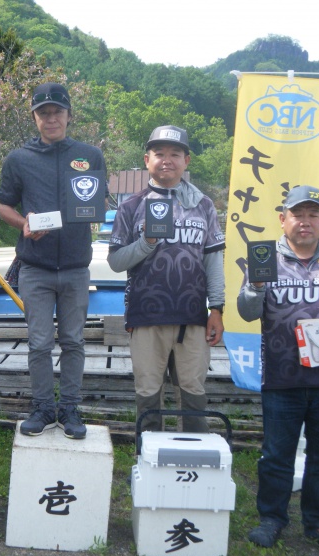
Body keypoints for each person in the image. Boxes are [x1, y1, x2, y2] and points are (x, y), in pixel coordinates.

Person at [237, 184, 319, 550]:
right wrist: (255, 288)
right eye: (298, 214)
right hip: (281, 377)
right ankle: (271, 518)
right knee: (276, 455)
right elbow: (247, 313)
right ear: (283, 220)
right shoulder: (264, 257)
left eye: (314, 214)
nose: (305, 221)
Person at [0, 82, 107, 440]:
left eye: (57, 112)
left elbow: (98, 203)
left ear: (69, 116)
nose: (51, 119)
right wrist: (24, 223)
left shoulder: (90, 155)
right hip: (35, 268)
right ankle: (43, 407)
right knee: (39, 343)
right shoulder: (18, 159)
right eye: (43, 113)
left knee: (74, 341)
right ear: (34, 118)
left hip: (76, 267)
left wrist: (90, 211)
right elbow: (3, 207)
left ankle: (70, 408)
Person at [107, 125, 225, 433]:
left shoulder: (204, 205)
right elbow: (116, 261)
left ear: (187, 161)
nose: (166, 160)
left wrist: (218, 309)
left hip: (193, 318)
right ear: (147, 159)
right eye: (159, 154)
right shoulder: (130, 206)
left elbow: (213, 259)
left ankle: (195, 462)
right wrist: (145, 244)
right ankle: (148, 461)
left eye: (175, 154)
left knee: (194, 392)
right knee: (148, 393)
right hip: (146, 316)